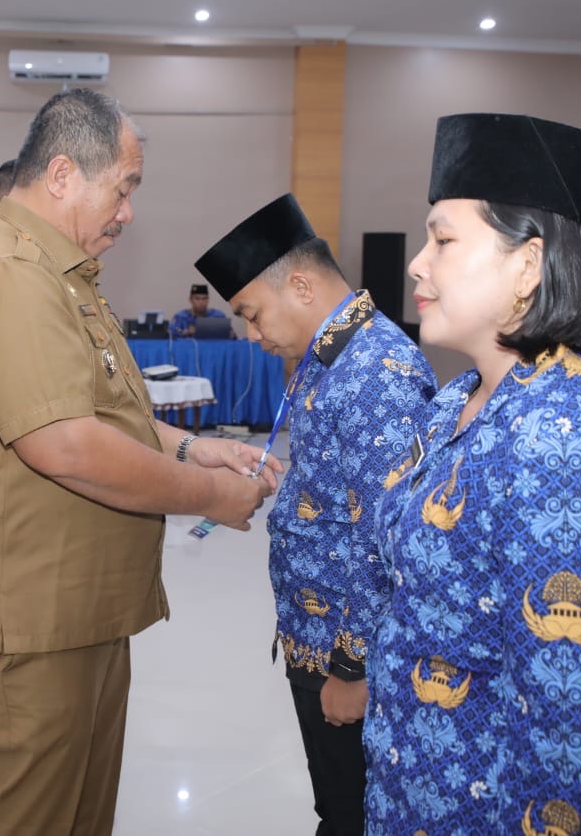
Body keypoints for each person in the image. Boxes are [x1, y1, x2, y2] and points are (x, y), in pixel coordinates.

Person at [0, 87, 279, 836]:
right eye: (124, 187)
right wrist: (209, 495)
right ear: (61, 175)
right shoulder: (9, 274)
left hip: (72, 603)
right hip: (28, 610)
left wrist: (192, 445)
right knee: (24, 818)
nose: (129, 212)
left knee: (77, 814)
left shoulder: (60, 274)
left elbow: (104, 413)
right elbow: (69, 446)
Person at [363, 114, 581, 832]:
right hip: (413, 791)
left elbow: (568, 733)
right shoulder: (457, 400)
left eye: (443, 240)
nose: (417, 264)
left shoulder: (574, 439)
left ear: (529, 264)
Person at [194, 194, 437, 836]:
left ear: (300, 285)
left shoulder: (375, 372)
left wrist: (351, 668)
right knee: (338, 801)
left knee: (353, 812)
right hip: (316, 630)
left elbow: (388, 537)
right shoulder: (330, 355)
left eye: (252, 314)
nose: (252, 335)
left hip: (345, 649)